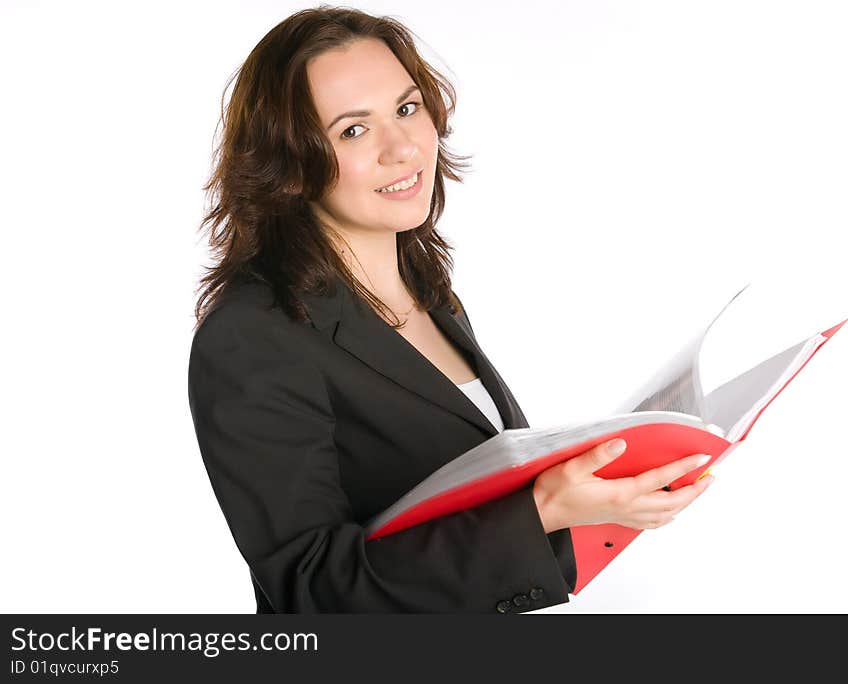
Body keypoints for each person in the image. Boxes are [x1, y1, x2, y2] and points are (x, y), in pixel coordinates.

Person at [187, 5, 714, 614]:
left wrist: (607, 497)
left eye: (407, 108)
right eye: (353, 130)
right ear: (289, 164)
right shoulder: (252, 336)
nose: (403, 147)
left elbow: (476, 517)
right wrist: (542, 510)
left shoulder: (428, 292)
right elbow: (313, 592)